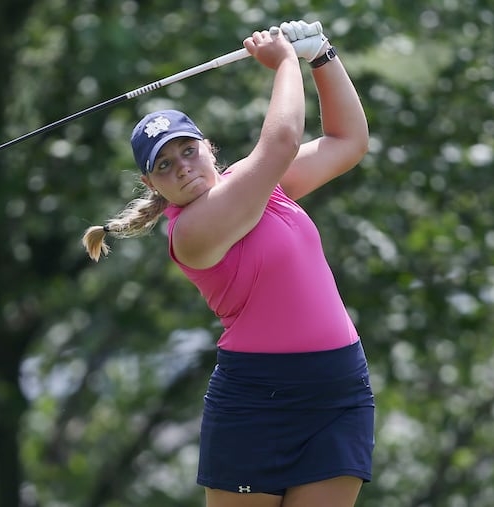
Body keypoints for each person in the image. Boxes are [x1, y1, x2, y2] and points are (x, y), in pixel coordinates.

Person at [82, 20, 373, 507]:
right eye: (165, 166)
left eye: (188, 151)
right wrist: (283, 61)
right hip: (257, 400)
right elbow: (280, 143)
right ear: (152, 185)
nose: (183, 168)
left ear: (208, 148)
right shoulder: (190, 233)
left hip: (336, 388)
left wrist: (321, 55)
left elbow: (348, 142)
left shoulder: (259, 185)